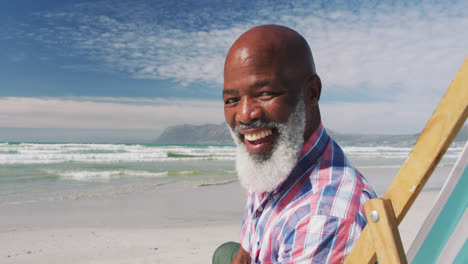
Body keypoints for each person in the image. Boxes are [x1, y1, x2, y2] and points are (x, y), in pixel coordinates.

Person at [213, 25, 376, 264]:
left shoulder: (323, 218)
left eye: (265, 93)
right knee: (225, 253)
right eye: (232, 100)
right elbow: (246, 250)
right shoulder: (275, 157)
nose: (245, 114)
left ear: (311, 93)